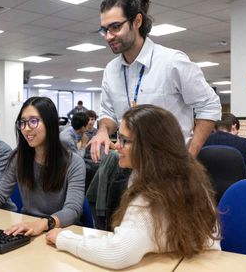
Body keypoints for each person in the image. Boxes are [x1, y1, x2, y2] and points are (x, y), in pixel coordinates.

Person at [46, 104, 220, 269]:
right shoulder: (187, 175)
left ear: (149, 147)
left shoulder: (152, 195)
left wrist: (64, 238)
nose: (117, 145)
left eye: (125, 140)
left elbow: (117, 253)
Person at [89, 0, 221, 162]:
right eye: (104, 30)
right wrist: (103, 130)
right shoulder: (111, 70)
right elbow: (109, 114)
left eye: (115, 27)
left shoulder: (172, 62)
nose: (108, 36)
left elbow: (209, 105)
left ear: (137, 21)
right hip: (132, 168)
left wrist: (191, 155)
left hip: (171, 168)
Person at [0, 96, 86, 236]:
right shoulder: (19, 157)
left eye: (33, 121)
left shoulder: (74, 163)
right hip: (28, 228)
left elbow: (73, 210)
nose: (26, 129)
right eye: (22, 122)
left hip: (61, 231)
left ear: (50, 123)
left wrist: (42, 224)